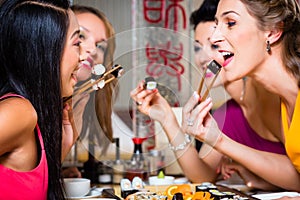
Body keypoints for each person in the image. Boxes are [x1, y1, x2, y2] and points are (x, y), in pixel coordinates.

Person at [130, 0, 286, 191]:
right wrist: (167, 119)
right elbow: (203, 176)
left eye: (213, 46)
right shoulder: (227, 114)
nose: (203, 57)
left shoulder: (273, 91)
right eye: (197, 47)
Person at [181, 0, 300, 192]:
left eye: (230, 23)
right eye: (217, 24)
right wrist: (217, 139)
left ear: (272, 31)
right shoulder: (286, 101)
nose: (213, 38)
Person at [0, 0, 80, 199]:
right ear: (45, 50)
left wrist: (60, 150)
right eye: (77, 43)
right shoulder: (19, 111)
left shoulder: (30, 116)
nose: (83, 57)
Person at [62, 5, 118, 178]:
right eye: (81, 36)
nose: (92, 49)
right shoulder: (22, 108)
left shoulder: (76, 103)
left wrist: (56, 173)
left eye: (100, 46)